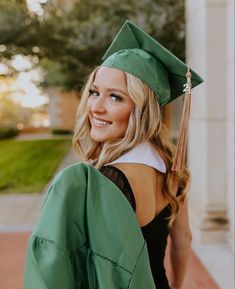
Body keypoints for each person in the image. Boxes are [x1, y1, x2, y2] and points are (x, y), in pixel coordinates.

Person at [23, 20, 203, 289]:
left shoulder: (107, 181)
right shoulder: (172, 169)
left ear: (143, 109)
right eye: (95, 92)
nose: (96, 107)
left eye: (115, 97)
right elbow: (183, 239)